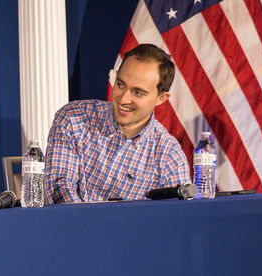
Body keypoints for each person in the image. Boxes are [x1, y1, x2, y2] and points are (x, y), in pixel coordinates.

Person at [46, 43, 190, 203]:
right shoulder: (74, 118)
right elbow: (59, 187)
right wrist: (86, 224)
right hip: (70, 226)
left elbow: (175, 219)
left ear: (161, 98)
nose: (123, 99)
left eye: (138, 92)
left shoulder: (170, 157)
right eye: (120, 85)